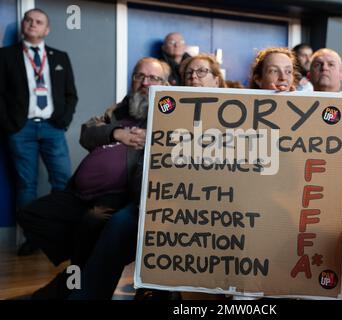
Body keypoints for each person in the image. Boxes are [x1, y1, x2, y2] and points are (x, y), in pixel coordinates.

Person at [67, 55, 225, 300]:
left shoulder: (234, 112)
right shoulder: (169, 105)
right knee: (118, 223)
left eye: (202, 71)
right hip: (156, 197)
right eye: (188, 73)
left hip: (210, 202)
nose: (194, 77)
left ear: (217, 80)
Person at [17, 57, 169, 299]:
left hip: (115, 195)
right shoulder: (119, 110)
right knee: (30, 213)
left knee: (93, 222)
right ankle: (79, 265)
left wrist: (149, 136)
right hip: (78, 192)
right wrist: (117, 133)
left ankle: (78, 273)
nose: (144, 82)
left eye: (153, 78)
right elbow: (87, 133)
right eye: (139, 76)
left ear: (165, 83)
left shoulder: (167, 113)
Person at [0, 8, 78, 255]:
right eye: (29, 20)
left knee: (63, 181)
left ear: (47, 30)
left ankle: (59, 235)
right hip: (20, 130)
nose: (33, 24)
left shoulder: (60, 57)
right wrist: (10, 124)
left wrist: (62, 121)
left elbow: (70, 94)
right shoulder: (5, 56)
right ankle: (32, 238)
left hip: (52, 128)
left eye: (39, 22)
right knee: (26, 185)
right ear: (24, 25)